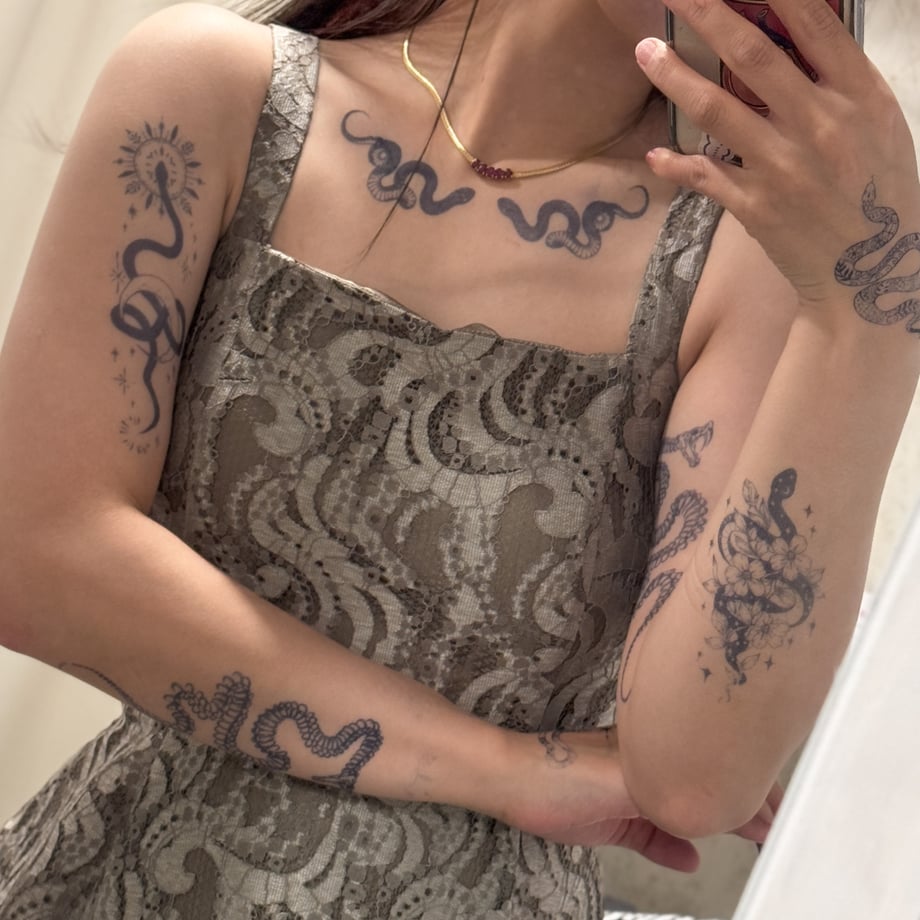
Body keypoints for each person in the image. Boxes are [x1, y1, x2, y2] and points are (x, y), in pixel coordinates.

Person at [0, 0, 916, 916]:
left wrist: (880, 311)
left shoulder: (741, 260)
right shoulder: (212, 90)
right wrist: (502, 770)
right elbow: (37, 554)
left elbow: (695, 779)